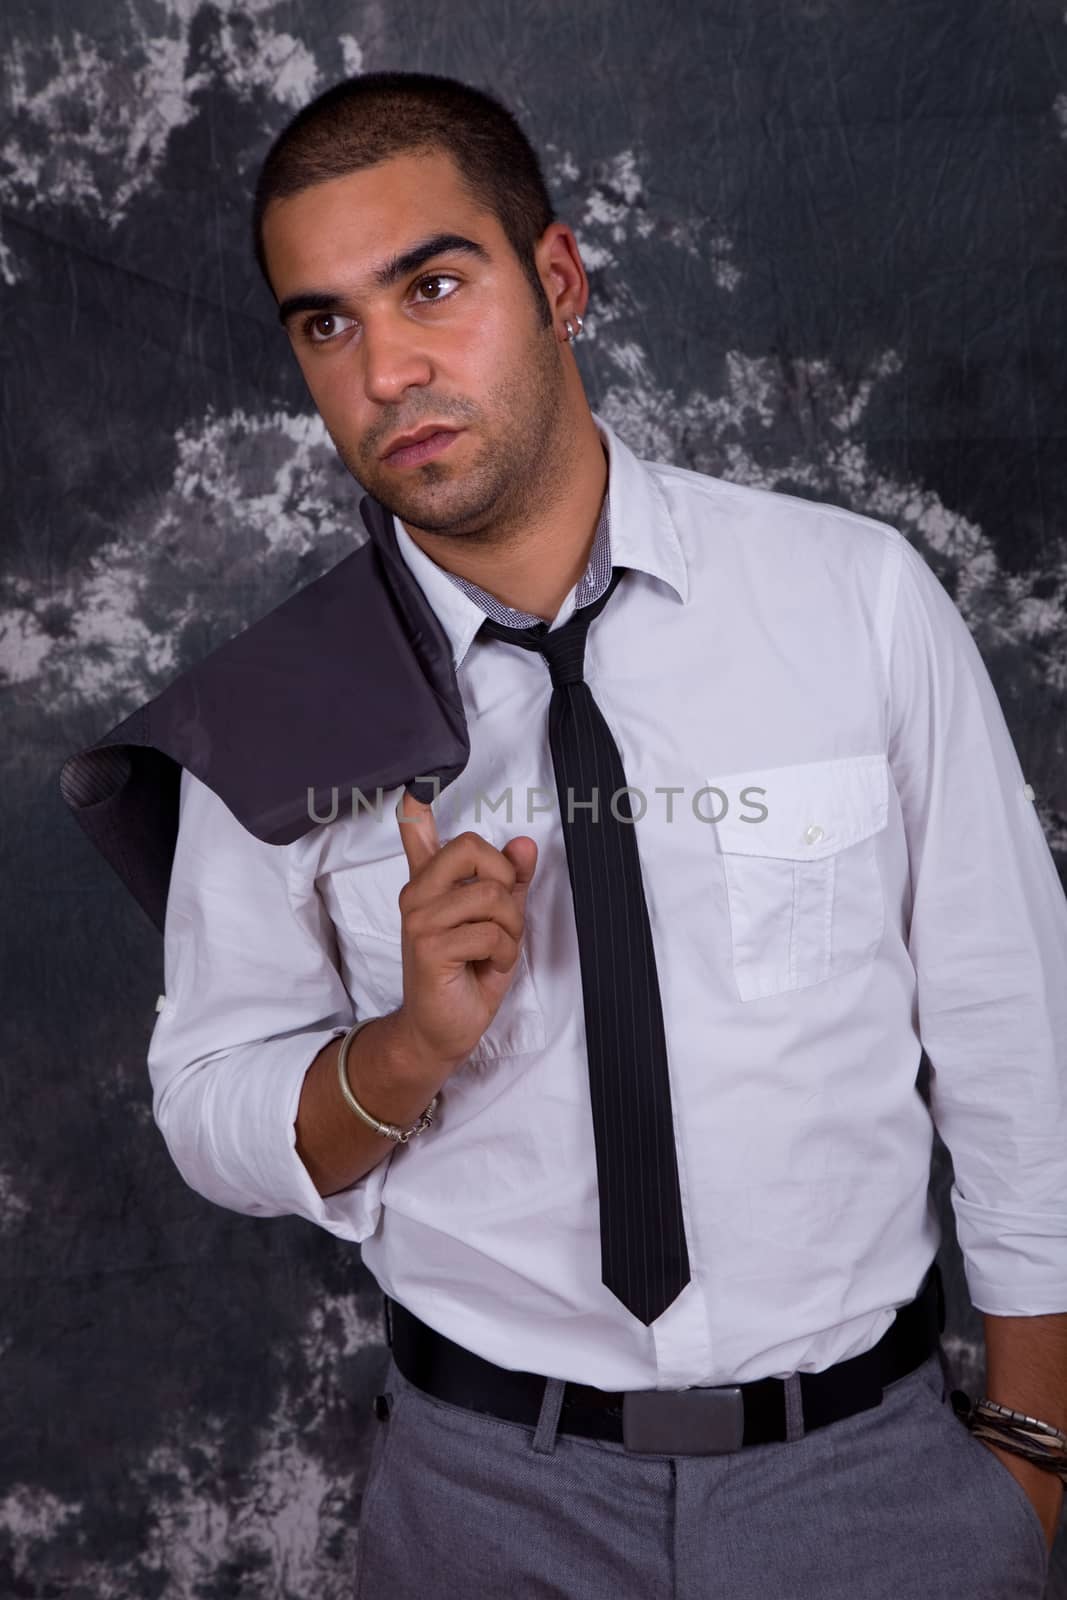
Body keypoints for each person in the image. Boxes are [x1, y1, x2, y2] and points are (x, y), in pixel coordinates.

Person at [142, 71, 1067, 1598]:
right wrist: (399, 1054)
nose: (387, 371)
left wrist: (1031, 1452)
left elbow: (1013, 1035)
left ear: (557, 280)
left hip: (875, 1486)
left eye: (431, 284)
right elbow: (206, 1107)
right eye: (327, 324)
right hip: (486, 1501)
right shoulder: (280, 713)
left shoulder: (854, 601)